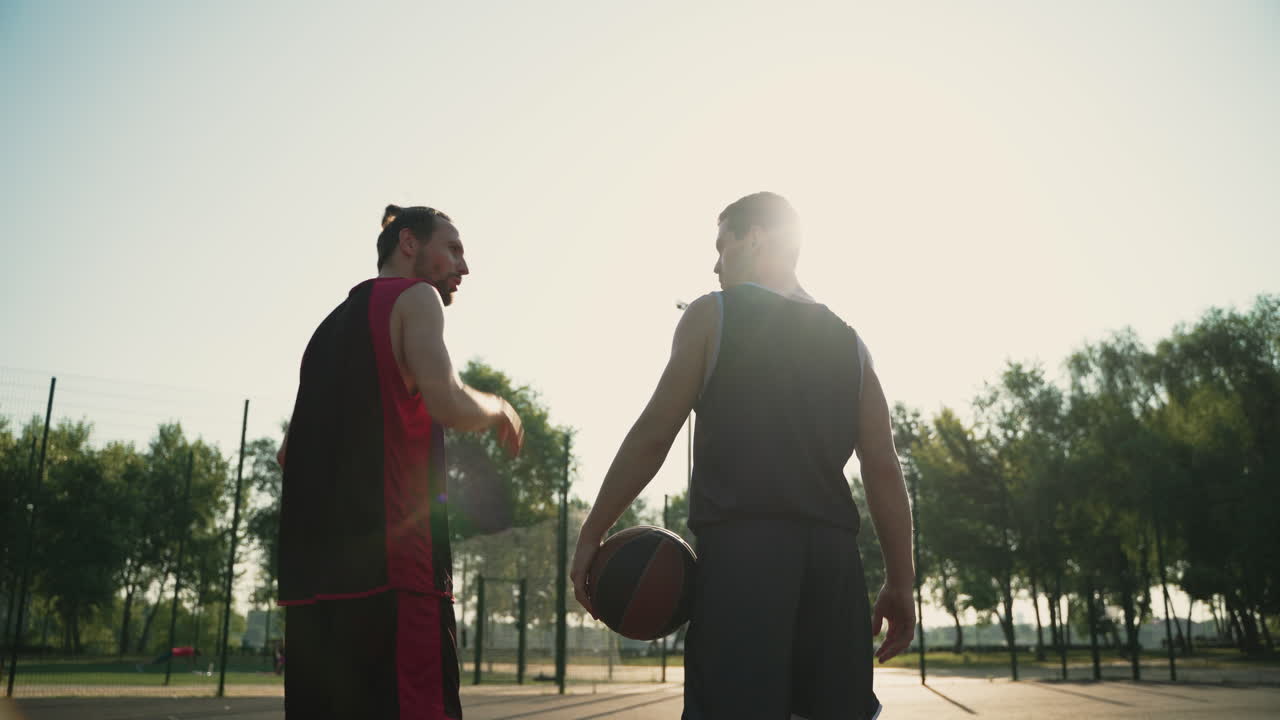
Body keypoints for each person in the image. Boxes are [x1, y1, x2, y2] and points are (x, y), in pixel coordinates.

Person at [571, 192, 915, 719]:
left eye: (721, 245)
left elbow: (654, 431)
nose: (714, 263)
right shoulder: (851, 342)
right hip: (833, 565)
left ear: (755, 238)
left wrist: (594, 530)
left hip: (745, 558)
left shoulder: (714, 314)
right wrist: (900, 582)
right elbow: (884, 469)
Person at [277, 204, 524, 719]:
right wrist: (499, 408)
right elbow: (447, 400)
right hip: (396, 576)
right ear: (409, 243)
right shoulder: (416, 297)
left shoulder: (325, 330)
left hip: (312, 591)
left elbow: (288, 454)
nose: (464, 265)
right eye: (453, 248)